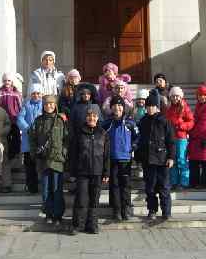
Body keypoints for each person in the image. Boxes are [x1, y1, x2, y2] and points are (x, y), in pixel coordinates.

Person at [68, 104, 109, 234]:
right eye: (89, 115)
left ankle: (92, 225)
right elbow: (73, 154)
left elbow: (106, 155)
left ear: (98, 117)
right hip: (82, 172)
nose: (92, 118)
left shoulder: (103, 133)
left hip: (97, 171)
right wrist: (73, 172)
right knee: (81, 199)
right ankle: (77, 225)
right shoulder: (79, 133)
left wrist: (106, 172)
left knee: (94, 200)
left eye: (94, 116)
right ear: (86, 117)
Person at [29, 95, 68, 226]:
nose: (49, 106)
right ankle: (48, 214)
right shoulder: (38, 121)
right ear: (43, 106)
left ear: (55, 105)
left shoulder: (61, 120)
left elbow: (67, 139)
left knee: (57, 190)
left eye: (51, 104)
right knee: (46, 190)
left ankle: (58, 215)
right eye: (46, 104)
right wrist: (34, 153)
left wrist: (64, 153)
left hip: (57, 160)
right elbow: (32, 138)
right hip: (43, 160)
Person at [136, 93, 175, 220]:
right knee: (150, 188)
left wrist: (171, 157)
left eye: (152, 106)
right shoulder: (143, 121)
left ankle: (166, 212)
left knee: (164, 187)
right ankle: (152, 210)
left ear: (157, 107)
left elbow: (171, 141)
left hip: (162, 160)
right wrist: (139, 157)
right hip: (148, 160)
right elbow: (140, 141)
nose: (149, 108)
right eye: (148, 106)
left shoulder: (164, 121)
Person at [102, 96, 138, 220]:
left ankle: (126, 209)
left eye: (119, 105)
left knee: (126, 185)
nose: (117, 108)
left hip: (125, 159)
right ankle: (116, 210)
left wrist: (133, 146)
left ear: (123, 107)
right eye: (114, 105)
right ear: (111, 108)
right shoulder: (107, 123)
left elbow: (137, 137)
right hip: (112, 159)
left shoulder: (130, 122)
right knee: (115, 185)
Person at [164, 86, 194, 189]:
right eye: (173, 96)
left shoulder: (185, 107)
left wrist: (182, 126)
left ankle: (184, 182)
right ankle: (174, 182)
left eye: (177, 96)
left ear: (181, 97)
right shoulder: (169, 108)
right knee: (173, 160)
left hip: (181, 138)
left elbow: (191, 122)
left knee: (182, 160)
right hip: (171, 138)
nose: (175, 98)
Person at [16, 84, 44, 194]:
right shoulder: (26, 105)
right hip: (28, 141)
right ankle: (32, 187)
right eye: (34, 93)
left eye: (38, 93)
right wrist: (27, 128)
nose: (36, 95)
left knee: (41, 165)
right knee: (30, 166)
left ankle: (43, 186)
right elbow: (20, 119)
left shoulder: (44, 105)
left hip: (41, 140)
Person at [188, 85, 206, 189]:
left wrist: (192, 133)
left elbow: (204, 124)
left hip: (205, 139)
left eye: (204, 95)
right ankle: (195, 183)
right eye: (200, 95)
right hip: (198, 139)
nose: (202, 97)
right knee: (194, 161)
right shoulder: (199, 106)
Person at [0, 72, 24, 161]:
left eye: (9, 80)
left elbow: (20, 106)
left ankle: (15, 154)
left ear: (12, 81)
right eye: (5, 80)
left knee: (16, 137)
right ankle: (7, 156)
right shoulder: (0, 92)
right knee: (6, 137)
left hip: (14, 118)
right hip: (4, 119)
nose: (7, 82)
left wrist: (20, 116)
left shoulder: (16, 93)